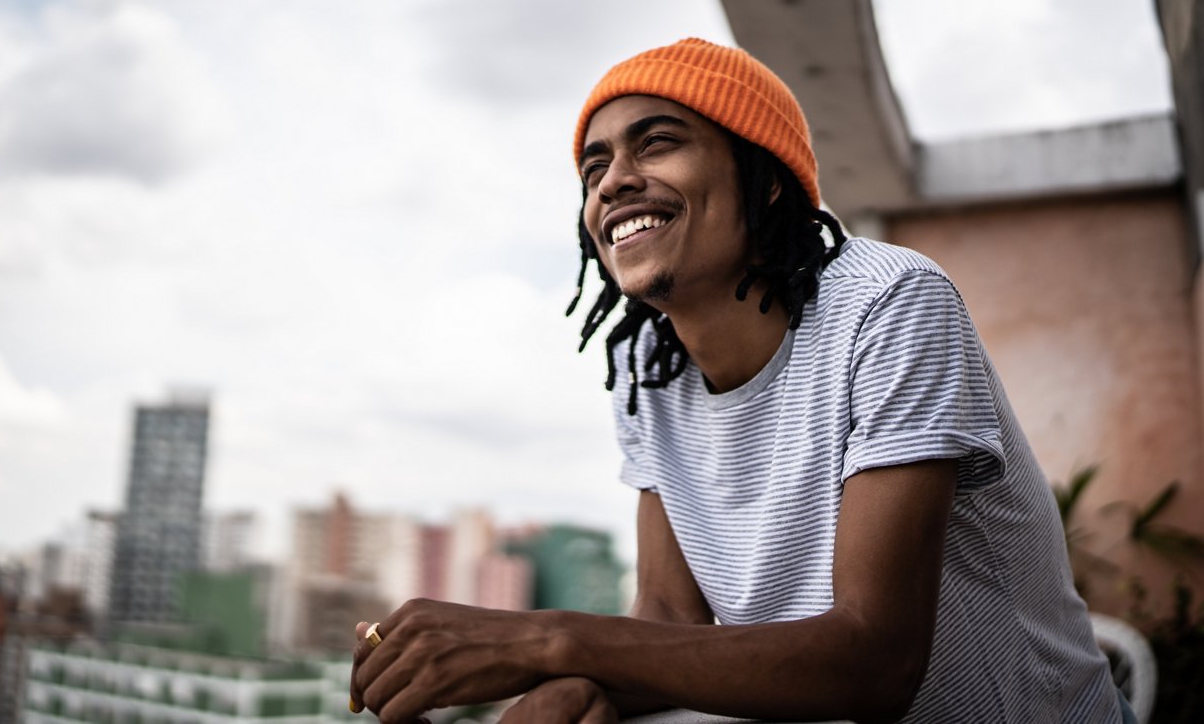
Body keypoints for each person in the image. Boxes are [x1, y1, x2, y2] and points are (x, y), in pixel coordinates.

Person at [349, 38, 1127, 723]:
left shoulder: (890, 304)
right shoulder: (645, 369)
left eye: (656, 143)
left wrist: (550, 641)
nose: (615, 181)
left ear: (768, 179)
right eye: (595, 167)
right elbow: (670, 622)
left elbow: (876, 661)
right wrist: (571, 690)